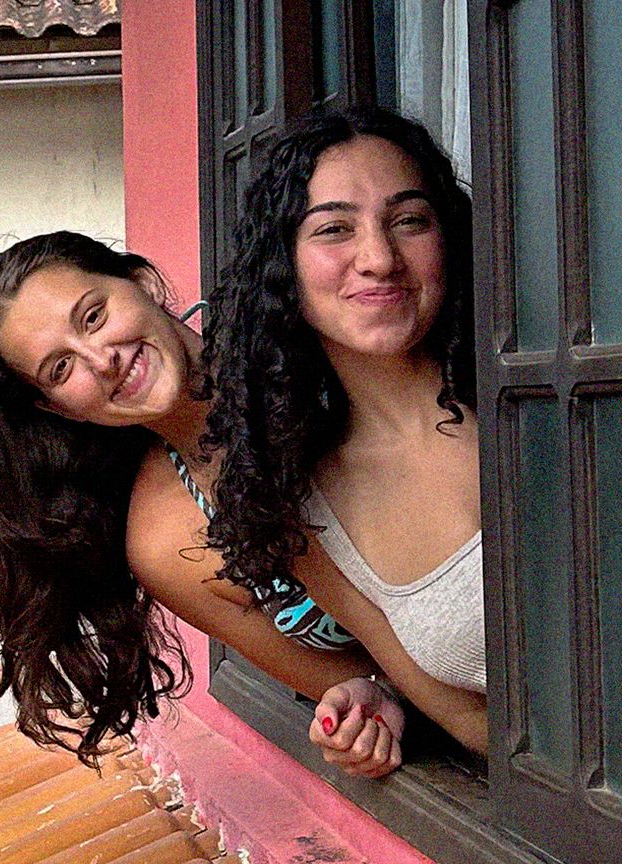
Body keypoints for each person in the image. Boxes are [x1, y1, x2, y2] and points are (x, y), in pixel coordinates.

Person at [0, 231, 400, 776]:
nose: (102, 360)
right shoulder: (166, 541)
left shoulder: (304, 342)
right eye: (61, 369)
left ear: (141, 283)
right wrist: (366, 702)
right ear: (59, 409)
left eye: (93, 317)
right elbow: (364, 678)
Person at [203, 106, 488, 760]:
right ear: (284, 269)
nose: (379, 258)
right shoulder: (307, 517)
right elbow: (468, 719)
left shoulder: (544, 394)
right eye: (335, 229)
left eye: (409, 221)